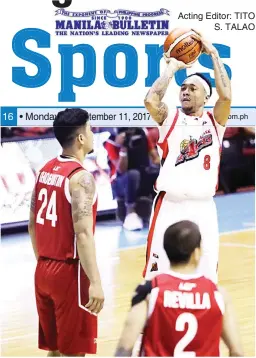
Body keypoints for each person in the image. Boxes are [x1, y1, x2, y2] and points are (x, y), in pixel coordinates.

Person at [143, 29, 231, 282]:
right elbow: (151, 100)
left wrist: (213, 53)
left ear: (206, 96)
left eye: (193, 88)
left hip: (203, 207)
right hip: (170, 205)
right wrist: (171, 69)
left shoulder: (215, 123)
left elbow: (226, 96)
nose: (186, 91)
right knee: (156, 277)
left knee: (206, 276)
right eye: (183, 88)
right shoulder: (170, 118)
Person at [28, 108, 104, 357]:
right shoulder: (80, 178)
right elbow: (83, 235)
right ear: (81, 138)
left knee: (55, 350)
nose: (92, 134)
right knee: (74, 353)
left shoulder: (44, 170)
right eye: (90, 129)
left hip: (43, 269)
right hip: (69, 274)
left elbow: (32, 223)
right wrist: (95, 282)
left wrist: (43, 262)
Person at [115, 220, 243, 357]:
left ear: (166, 250)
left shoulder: (150, 291)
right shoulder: (218, 295)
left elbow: (124, 349)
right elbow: (237, 352)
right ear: (196, 253)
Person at [104, 127, 159, 231]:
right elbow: (121, 169)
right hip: (120, 182)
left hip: (142, 174)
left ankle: (162, 210)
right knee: (133, 174)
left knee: (158, 172)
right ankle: (130, 213)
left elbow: (155, 158)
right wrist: (123, 148)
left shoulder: (142, 133)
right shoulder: (111, 142)